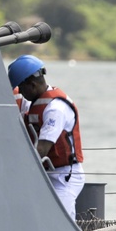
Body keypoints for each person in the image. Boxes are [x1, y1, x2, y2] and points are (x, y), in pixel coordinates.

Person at [8, 55, 86, 220]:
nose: (20, 93)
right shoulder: (36, 103)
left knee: (61, 222)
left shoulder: (55, 108)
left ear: (32, 84)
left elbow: (42, 148)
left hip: (64, 177)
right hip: (47, 174)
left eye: (21, 88)